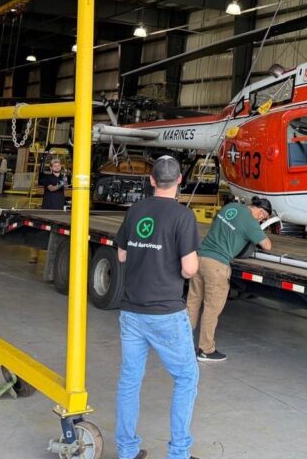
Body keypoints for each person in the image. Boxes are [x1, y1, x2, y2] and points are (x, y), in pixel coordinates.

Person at [114, 156, 202, 459]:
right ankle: (178, 453)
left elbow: (122, 255)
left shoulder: (136, 210)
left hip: (131, 311)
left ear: (151, 180)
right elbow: (189, 269)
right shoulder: (183, 216)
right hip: (166, 313)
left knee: (130, 380)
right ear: (179, 181)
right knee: (186, 378)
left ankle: (127, 451)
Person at [187, 196, 273, 362]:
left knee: (192, 303)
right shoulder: (251, 222)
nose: (261, 220)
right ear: (261, 213)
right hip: (217, 266)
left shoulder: (230, 207)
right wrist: (256, 230)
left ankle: (184, 344)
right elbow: (267, 245)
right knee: (211, 309)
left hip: (200, 258)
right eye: (263, 218)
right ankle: (206, 350)